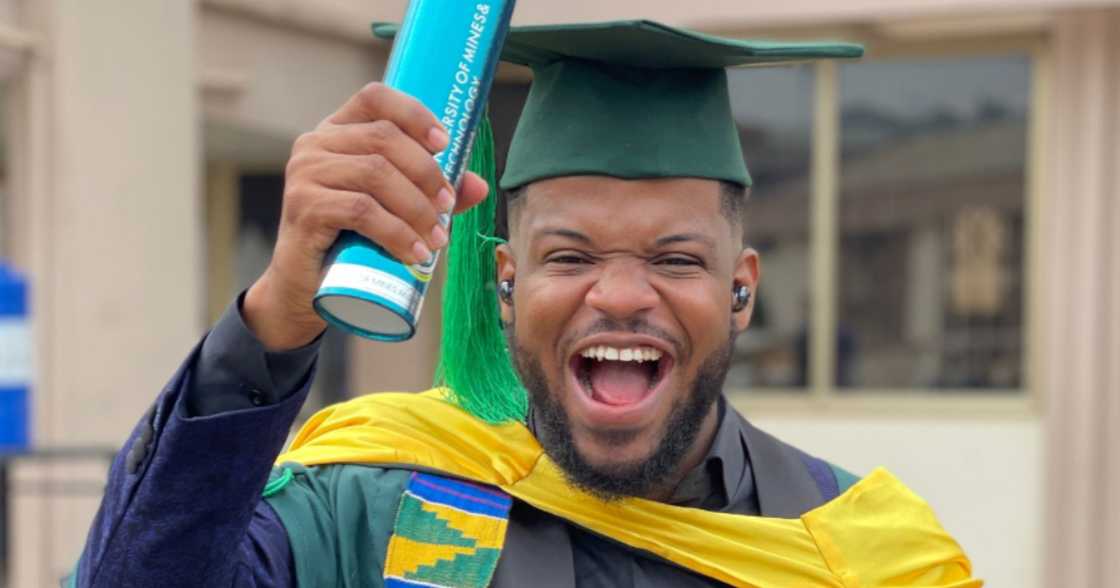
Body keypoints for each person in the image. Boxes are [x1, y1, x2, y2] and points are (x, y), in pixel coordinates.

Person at [69, 20, 979, 588]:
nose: (621, 295)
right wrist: (275, 319)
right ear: (505, 282)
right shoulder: (370, 500)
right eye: (570, 255)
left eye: (673, 257)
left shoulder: (861, 557)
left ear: (740, 288)